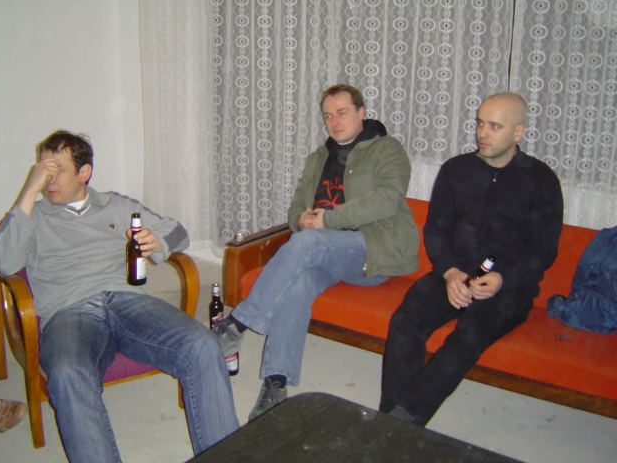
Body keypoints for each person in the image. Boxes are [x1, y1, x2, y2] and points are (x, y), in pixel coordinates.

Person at [0, 131, 238, 461]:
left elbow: (178, 231)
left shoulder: (115, 205)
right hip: (69, 313)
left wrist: (158, 242)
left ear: (84, 172)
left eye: (57, 170)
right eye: (43, 170)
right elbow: (0, 262)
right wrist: (28, 192)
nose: (49, 179)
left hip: (129, 303)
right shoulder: (32, 216)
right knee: (68, 374)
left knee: (202, 345)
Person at [213, 84, 419, 420]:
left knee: (307, 242)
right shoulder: (318, 158)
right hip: (325, 252)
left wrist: (326, 221)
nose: (334, 121)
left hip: (371, 251)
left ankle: (237, 325)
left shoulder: (387, 149)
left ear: (361, 112)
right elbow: (296, 207)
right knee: (299, 281)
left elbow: (387, 200)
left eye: (342, 113)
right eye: (328, 115)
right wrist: (301, 219)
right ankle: (276, 383)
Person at [379, 92, 563, 426]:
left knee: (469, 334)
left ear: (518, 132)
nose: (482, 133)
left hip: (507, 287)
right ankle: (392, 420)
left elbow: (543, 250)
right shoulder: (456, 170)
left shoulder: (541, 180)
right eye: (480, 123)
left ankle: (402, 420)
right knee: (406, 321)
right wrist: (450, 272)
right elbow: (436, 229)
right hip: (454, 273)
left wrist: (503, 279)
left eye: (494, 126)